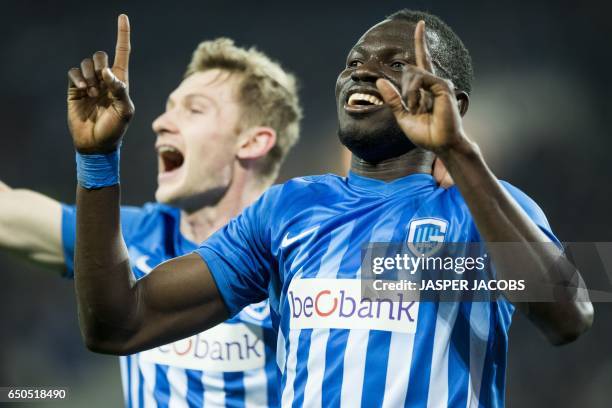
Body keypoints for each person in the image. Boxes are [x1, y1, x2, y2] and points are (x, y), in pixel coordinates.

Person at [68, 10, 594, 408]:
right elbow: (120, 324)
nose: (364, 73)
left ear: (452, 100)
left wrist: (458, 152)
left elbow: (569, 315)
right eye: (354, 63)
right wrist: (97, 159)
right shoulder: (289, 209)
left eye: (396, 64)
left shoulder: (486, 209)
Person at [1, 21, 303, 407]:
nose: (159, 123)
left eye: (194, 110)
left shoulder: (304, 249)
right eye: (167, 108)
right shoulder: (123, 239)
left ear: (253, 141)